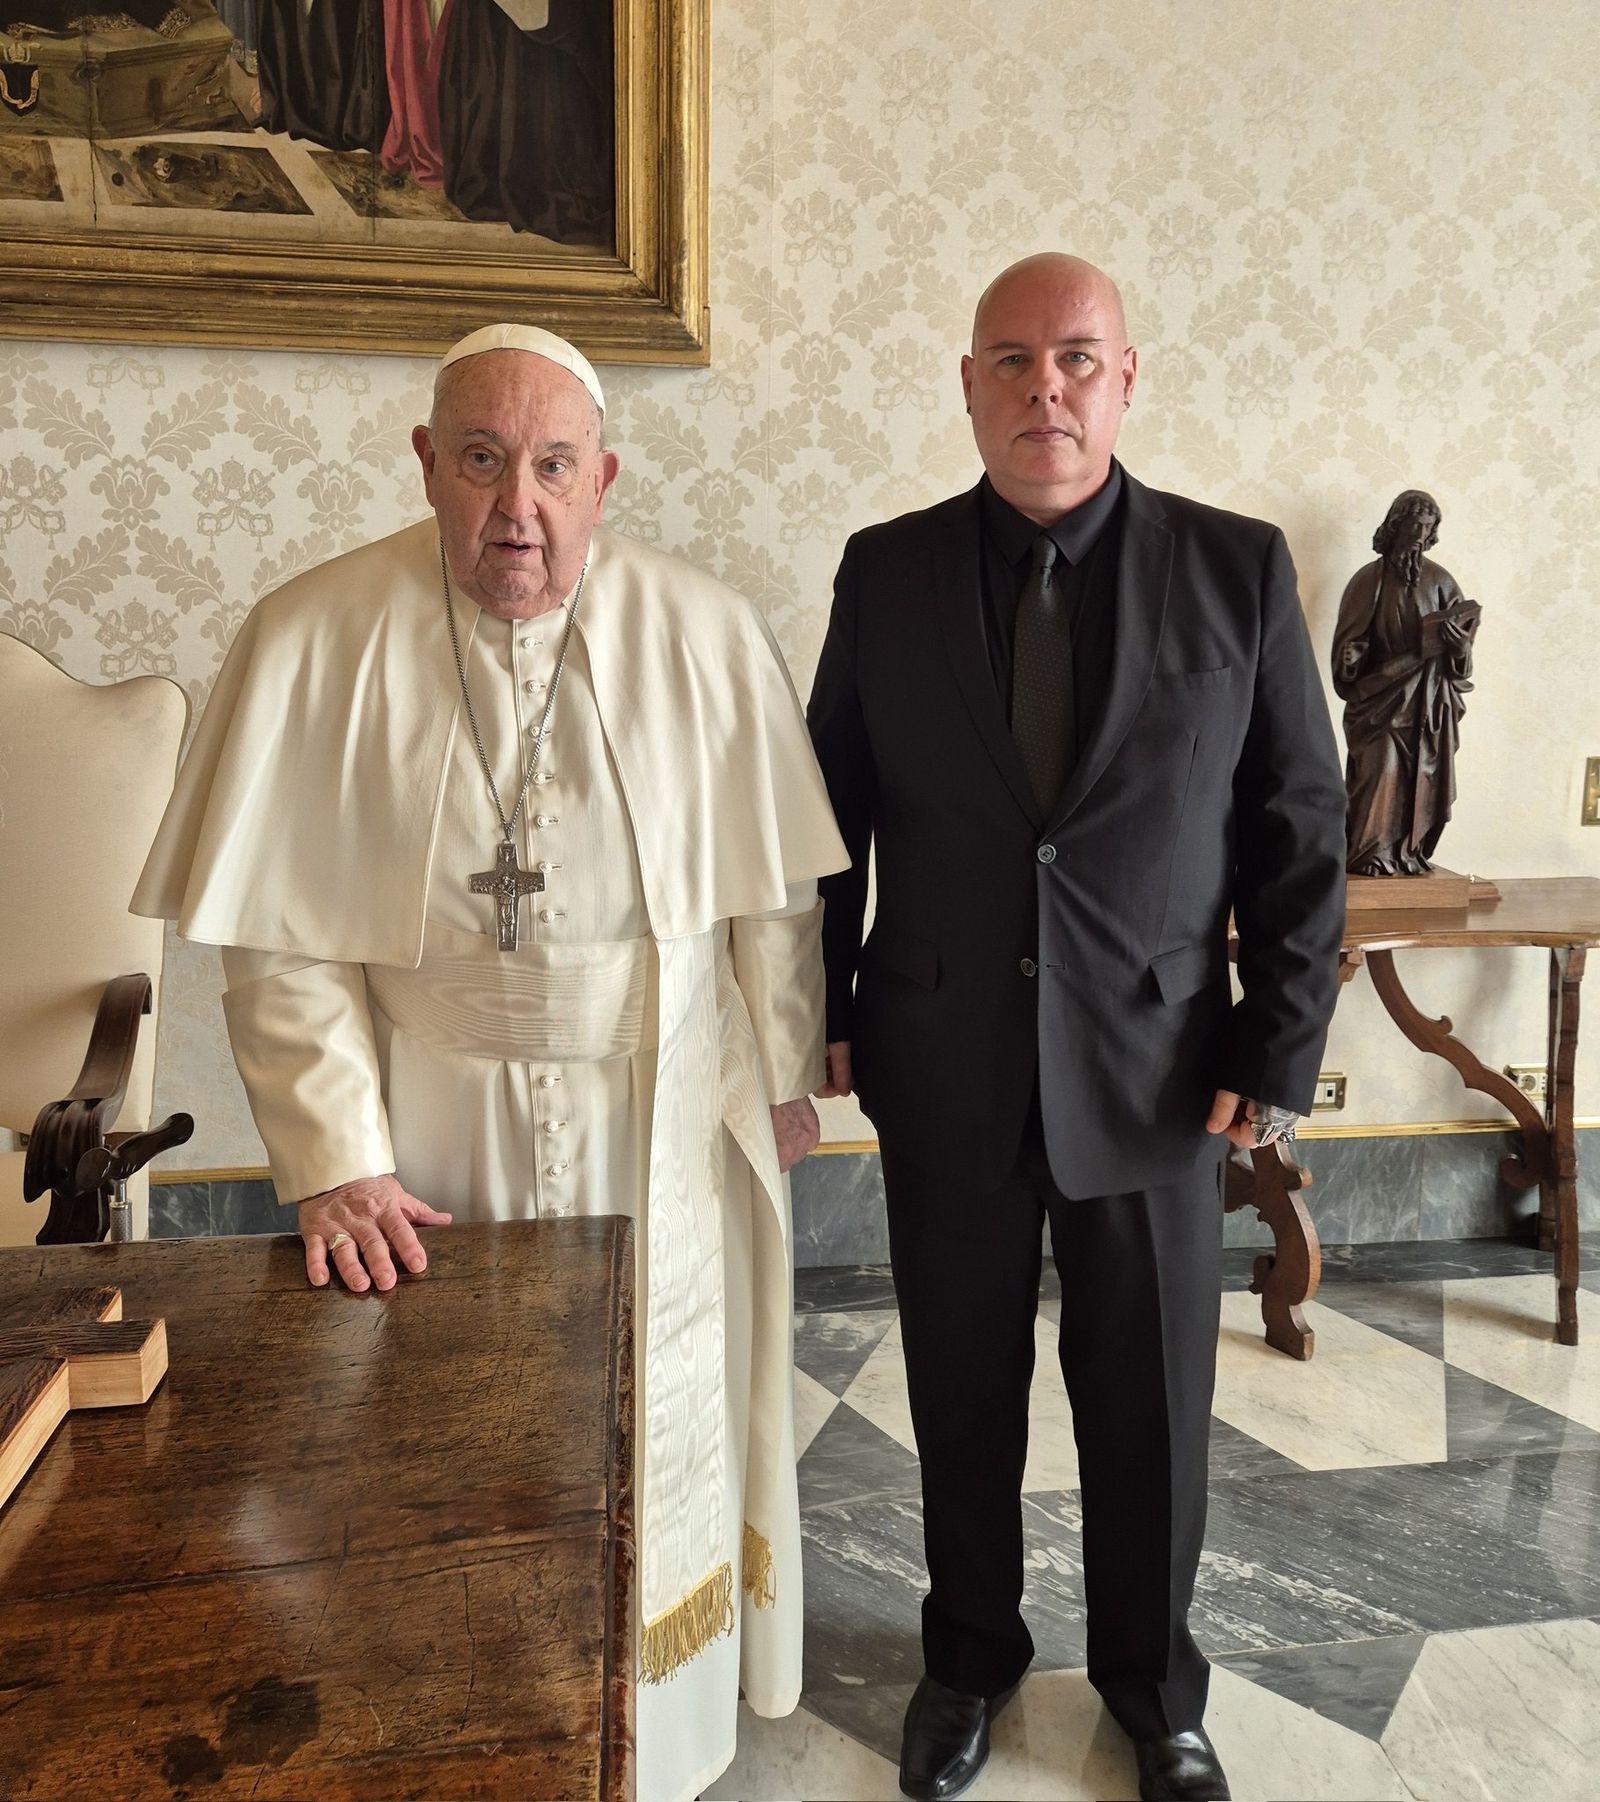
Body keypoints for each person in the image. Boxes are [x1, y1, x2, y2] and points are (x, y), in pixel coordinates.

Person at [132, 323, 847, 1802]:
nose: (515, 506)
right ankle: (463, 1720)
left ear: (604, 479)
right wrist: (338, 1163)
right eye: (480, 461)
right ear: (426, 465)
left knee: (666, 1422)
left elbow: (773, 896)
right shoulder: (311, 633)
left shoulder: (704, 631)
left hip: (660, 1105)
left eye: (552, 466)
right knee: (438, 1442)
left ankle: (666, 1724)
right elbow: (279, 944)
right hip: (432, 1122)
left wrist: (782, 1071)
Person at [807, 254, 1347, 1802]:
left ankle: (1152, 1685)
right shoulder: (886, 569)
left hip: (1162, 1070)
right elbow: (826, 815)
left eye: (1076, 359)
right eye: (1011, 360)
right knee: (960, 1385)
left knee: (1151, 1402)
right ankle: (968, 1654)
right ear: (969, 384)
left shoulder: (1235, 570)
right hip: (943, 1055)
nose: (1045, 387)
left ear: (1127, 379)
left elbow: (1298, 824)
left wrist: (1277, 1045)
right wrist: (816, 1015)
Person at [1332, 488, 1480, 876]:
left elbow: (1462, 666)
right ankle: (1367, 855)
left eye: (1427, 527)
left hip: (1428, 704)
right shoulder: (1368, 581)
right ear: (1396, 525)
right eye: (1413, 524)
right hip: (1379, 701)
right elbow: (1347, 652)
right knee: (1379, 772)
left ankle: (1408, 853)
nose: (1418, 534)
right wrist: (1350, 660)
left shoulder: (1442, 582)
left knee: (1421, 780)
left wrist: (1459, 647)